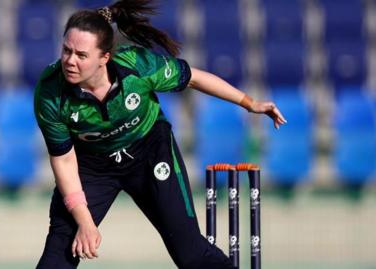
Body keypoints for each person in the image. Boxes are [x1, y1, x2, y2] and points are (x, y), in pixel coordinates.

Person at [33, 0, 286, 268]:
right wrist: (84, 222)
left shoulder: (138, 67)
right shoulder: (50, 93)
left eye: (81, 55)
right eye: (66, 50)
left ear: (104, 58)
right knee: (57, 256)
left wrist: (249, 103)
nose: (70, 61)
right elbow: (63, 160)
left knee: (190, 253)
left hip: (150, 153)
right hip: (93, 165)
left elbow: (195, 78)